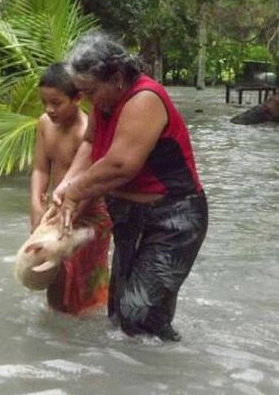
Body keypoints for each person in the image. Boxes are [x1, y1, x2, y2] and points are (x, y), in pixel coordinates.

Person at [52, 34, 208, 341]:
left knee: (139, 319)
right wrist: (67, 184)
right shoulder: (104, 101)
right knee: (119, 316)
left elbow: (121, 165)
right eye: (82, 91)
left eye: (90, 91)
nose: (86, 99)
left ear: (118, 78)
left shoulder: (144, 99)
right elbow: (90, 143)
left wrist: (74, 192)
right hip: (128, 215)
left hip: (171, 220)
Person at [30, 62, 112, 315]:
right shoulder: (45, 124)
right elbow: (41, 169)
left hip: (90, 214)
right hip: (57, 211)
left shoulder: (85, 132)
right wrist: (35, 205)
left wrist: (68, 216)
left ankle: (84, 330)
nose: (49, 109)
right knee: (53, 275)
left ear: (77, 98)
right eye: (45, 102)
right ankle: (58, 332)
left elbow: (92, 184)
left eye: (56, 102)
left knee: (82, 284)